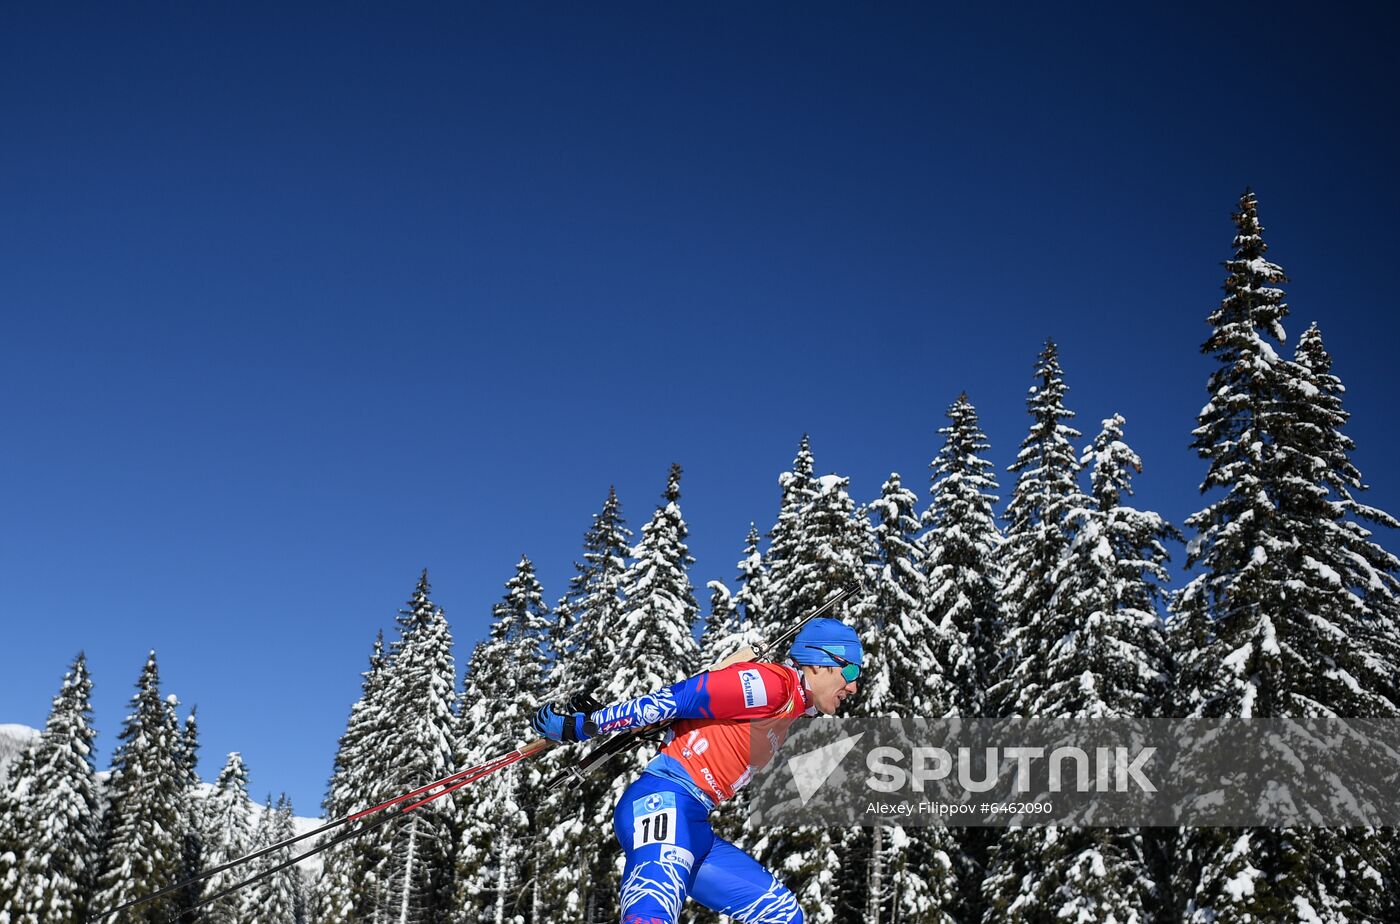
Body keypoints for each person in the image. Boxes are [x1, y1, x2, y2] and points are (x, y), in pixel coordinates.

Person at [531, 618, 864, 924]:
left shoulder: (791, 707)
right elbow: (681, 697)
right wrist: (583, 726)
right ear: (820, 663)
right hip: (664, 800)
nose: (853, 688)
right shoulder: (772, 685)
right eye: (849, 674)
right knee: (652, 912)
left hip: (694, 826)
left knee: (782, 915)